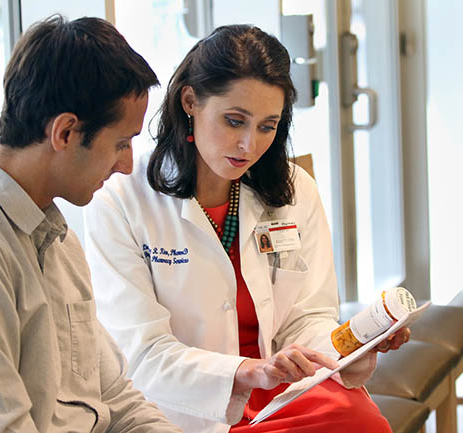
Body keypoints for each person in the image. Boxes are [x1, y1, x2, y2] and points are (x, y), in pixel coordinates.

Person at [84, 25, 409, 433]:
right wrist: (247, 371)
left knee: (362, 423)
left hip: (289, 392)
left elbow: (307, 318)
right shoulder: (121, 198)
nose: (248, 145)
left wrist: (355, 344)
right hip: (187, 407)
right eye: (234, 121)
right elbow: (142, 354)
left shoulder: (293, 189)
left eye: (267, 126)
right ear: (190, 101)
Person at [0, 15, 182, 433]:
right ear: (65, 132)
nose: (126, 164)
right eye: (121, 143)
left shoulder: (57, 240)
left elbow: (115, 397)